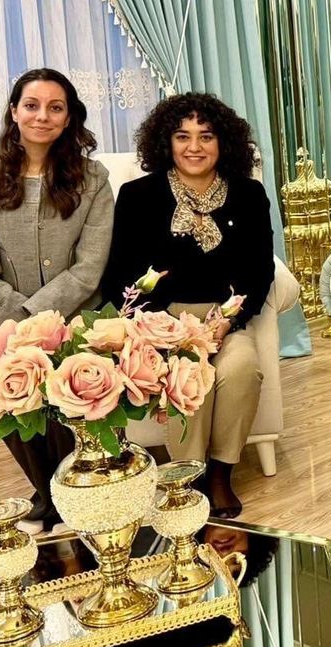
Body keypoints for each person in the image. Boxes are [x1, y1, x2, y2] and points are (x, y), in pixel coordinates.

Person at [99, 93, 274, 519]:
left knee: (241, 369)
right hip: (161, 322)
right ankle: (189, 474)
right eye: (183, 136)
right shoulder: (139, 196)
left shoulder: (248, 194)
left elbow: (259, 271)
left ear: (223, 142)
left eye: (206, 136)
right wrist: (158, 327)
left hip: (223, 317)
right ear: (166, 142)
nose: (194, 147)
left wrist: (227, 321)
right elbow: (119, 274)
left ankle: (221, 473)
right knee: (187, 375)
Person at [0, 68, 113, 532]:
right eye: (32, 105)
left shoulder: (93, 180)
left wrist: (41, 322)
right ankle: (48, 495)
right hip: (4, 320)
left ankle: (74, 495)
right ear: (14, 112)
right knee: (3, 394)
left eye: (55, 107)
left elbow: (89, 267)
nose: (42, 116)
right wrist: (22, 325)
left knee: (72, 398)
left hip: (79, 314)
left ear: (69, 117)